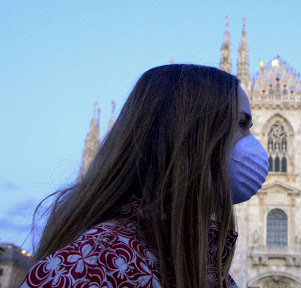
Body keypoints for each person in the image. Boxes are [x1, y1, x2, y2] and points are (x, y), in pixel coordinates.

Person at [20, 65, 269, 288]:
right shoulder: (94, 265)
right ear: (190, 136)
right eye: (240, 124)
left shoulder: (198, 260)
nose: (253, 143)